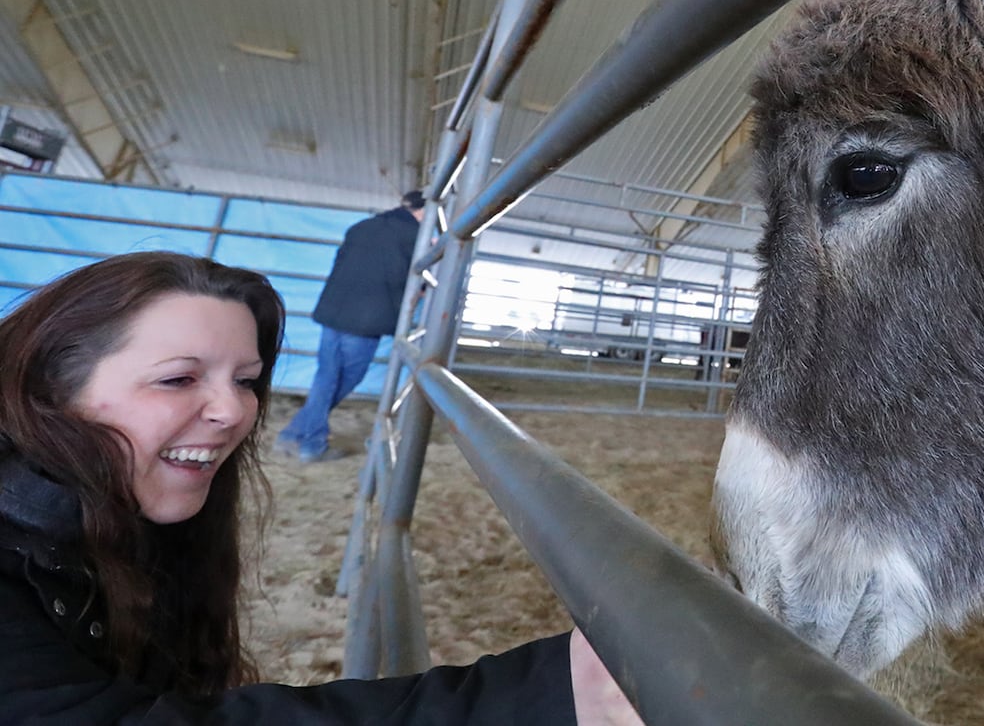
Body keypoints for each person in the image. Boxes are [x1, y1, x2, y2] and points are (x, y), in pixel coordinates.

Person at [0, 251, 644, 724]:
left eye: (248, 380)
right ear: (51, 386)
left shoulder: (121, 519)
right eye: (177, 379)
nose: (235, 411)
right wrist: (546, 694)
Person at [277, 190, 426, 463]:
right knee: (346, 378)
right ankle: (310, 443)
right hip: (365, 321)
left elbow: (341, 264)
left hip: (333, 312)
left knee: (326, 376)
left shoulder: (360, 227)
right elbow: (416, 280)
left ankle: (293, 435)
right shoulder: (417, 237)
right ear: (423, 211)